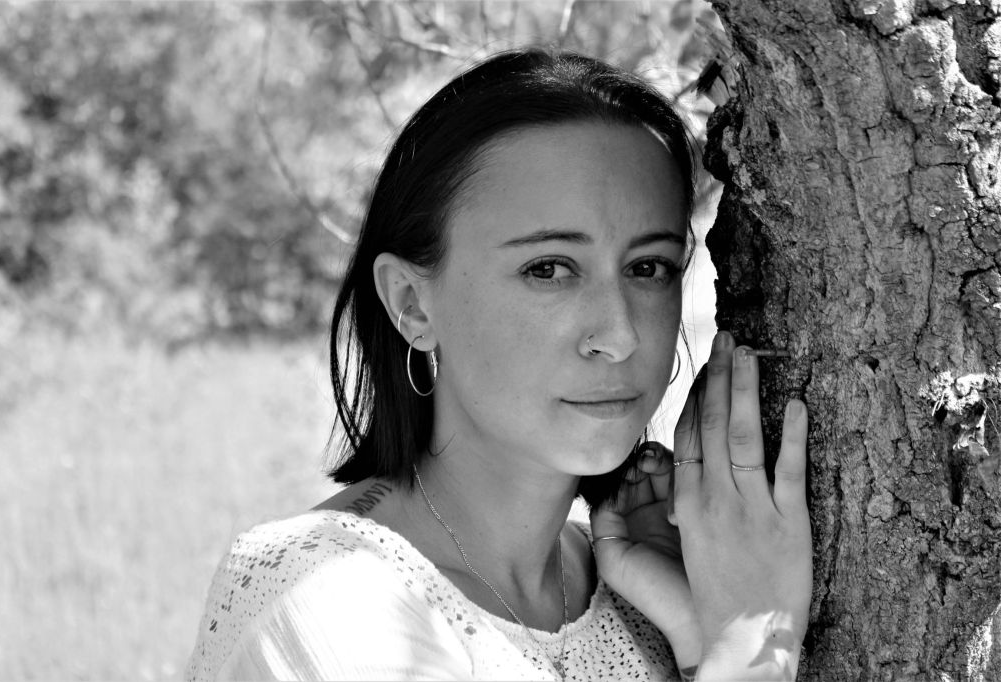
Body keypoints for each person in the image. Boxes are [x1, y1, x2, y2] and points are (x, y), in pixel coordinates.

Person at [186, 47, 812, 681]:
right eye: (549, 269)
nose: (620, 335)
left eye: (648, 268)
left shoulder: (636, 588)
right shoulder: (327, 599)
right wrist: (756, 644)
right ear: (412, 304)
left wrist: (697, 639)